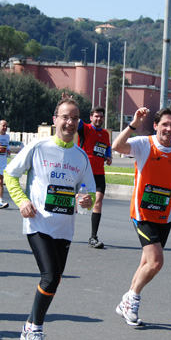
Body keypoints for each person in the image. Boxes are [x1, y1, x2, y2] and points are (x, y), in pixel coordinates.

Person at [3, 95, 95, 340]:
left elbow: (87, 193)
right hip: (38, 223)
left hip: (65, 228)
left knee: (53, 280)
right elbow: (10, 174)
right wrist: (21, 201)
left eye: (75, 118)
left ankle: (28, 326)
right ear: (55, 120)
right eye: (65, 117)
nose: (70, 122)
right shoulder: (39, 147)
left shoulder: (80, 157)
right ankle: (36, 330)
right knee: (50, 277)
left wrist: (86, 200)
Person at [112, 107, 171, 326]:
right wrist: (134, 123)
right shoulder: (144, 143)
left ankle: (125, 301)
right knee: (156, 262)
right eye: (164, 124)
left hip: (165, 214)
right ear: (156, 126)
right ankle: (133, 298)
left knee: (146, 261)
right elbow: (116, 147)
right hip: (143, 212)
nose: (169, 128)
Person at [76, 103, 112, 249]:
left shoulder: (105, 134)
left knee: (98, 201)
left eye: (101, 116)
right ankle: (59, 231)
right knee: (73, 202)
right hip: (83, 172)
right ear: (91, 117)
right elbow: (76, 120)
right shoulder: (85, 129)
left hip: (99, 174)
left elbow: (107, 147)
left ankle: (93, 237)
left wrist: (109, 157)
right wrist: (71, 103)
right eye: (96, 116)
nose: (98, 118)